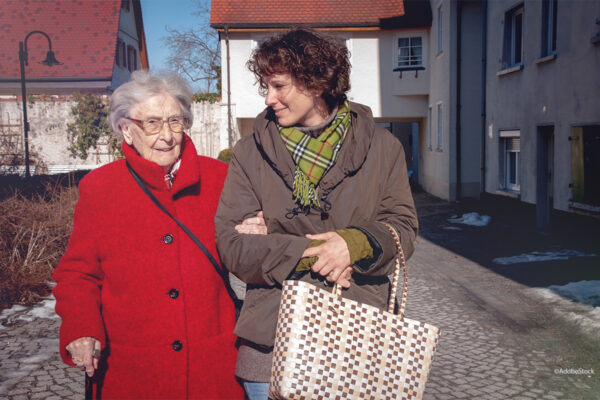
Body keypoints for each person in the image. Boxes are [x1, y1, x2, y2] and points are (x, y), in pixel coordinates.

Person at [215, 28, 419, 399]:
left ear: (317, 80)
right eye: (265, 86)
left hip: (358, 335)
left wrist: (354, 243)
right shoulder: (249, 153)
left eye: (278, 86)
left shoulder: (384, 147)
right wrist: (319, 253)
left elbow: (402, 228)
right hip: (271, 338)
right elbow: (233, 245)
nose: (268, 98)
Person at [53, 70, 247, 399]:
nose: (167, 135)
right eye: (152, 123)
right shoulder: (100, 189)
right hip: (134, 369)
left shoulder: (220, 179)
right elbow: (78, 273)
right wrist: (81, 327)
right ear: (127, 131)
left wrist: (256, 233)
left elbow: (250, 254)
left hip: (212, 366)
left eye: (175, 121)